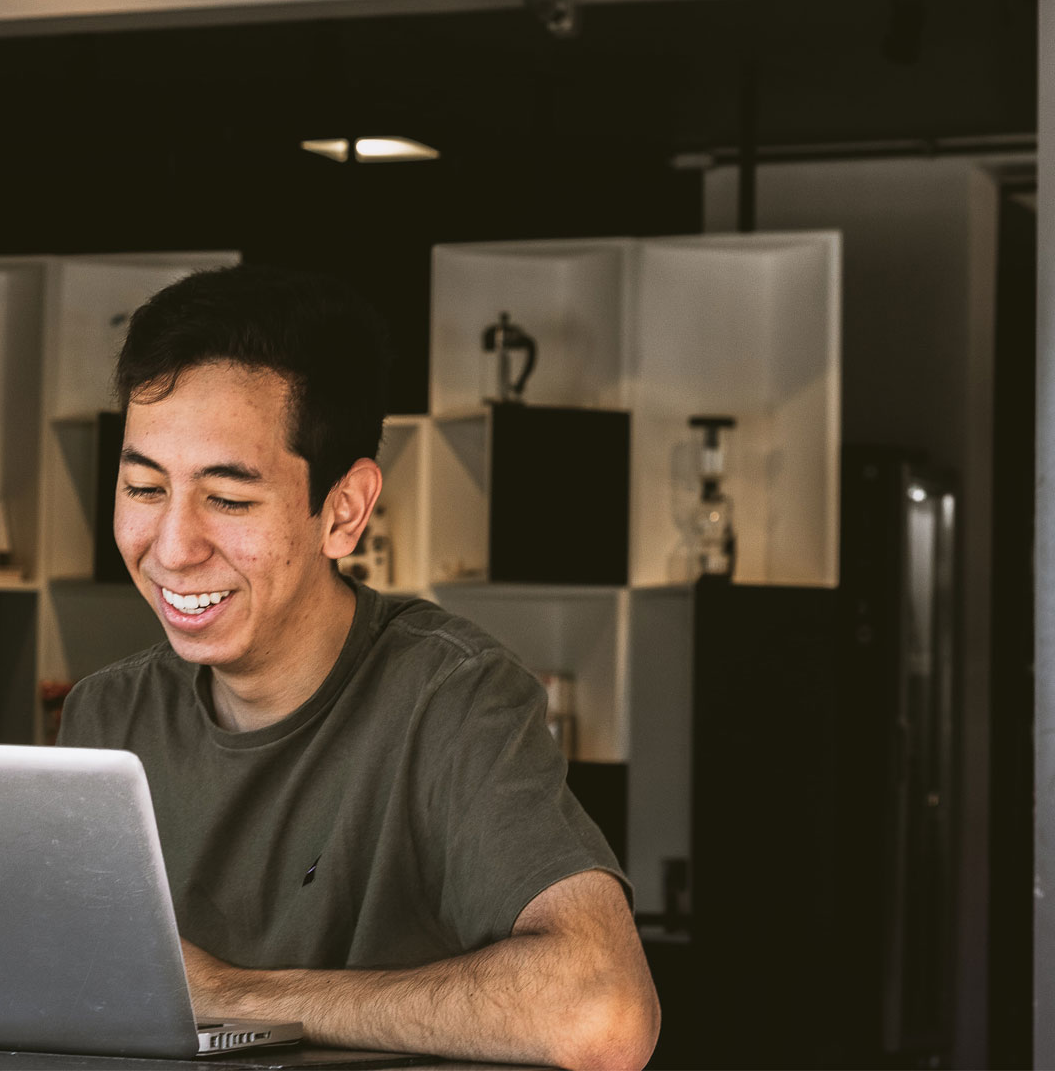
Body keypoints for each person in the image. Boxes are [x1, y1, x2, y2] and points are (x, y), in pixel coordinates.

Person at [58, 265, 660, 1069]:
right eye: (142, 487)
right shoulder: (107, 714)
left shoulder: (453, 698)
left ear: (344, 511)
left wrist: (238, 996)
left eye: (228, 500)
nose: (172, 548)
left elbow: (603, 1012)